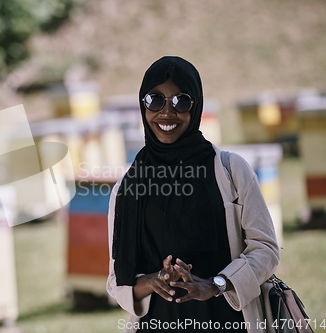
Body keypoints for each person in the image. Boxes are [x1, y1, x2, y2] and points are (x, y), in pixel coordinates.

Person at [106, 56, 280, 332]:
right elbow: (118, 281)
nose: (166, 112)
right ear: (143, 105)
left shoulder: (230, 170)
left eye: (181, 101)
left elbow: (266, 249)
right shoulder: (126, 189)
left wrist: (215, 284)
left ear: (195, 105)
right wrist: (155, 280)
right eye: (155, 100)